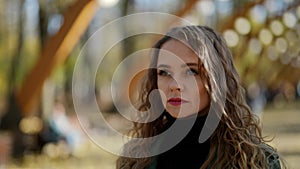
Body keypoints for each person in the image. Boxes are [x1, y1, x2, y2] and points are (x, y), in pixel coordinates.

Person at [116, 25, 284, 169]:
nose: (174, 85)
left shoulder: (256, 161)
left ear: (217, 79)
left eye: (191, 71)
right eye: (164, 72)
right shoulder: (136, 159)